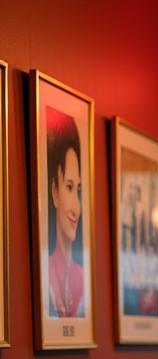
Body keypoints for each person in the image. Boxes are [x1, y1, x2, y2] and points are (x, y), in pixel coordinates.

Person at [47, 108, 85, 319]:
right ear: (54, 192)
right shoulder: (47, 273)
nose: (76, 207)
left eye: (78, 190)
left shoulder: (81, 275)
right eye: (68, 187)